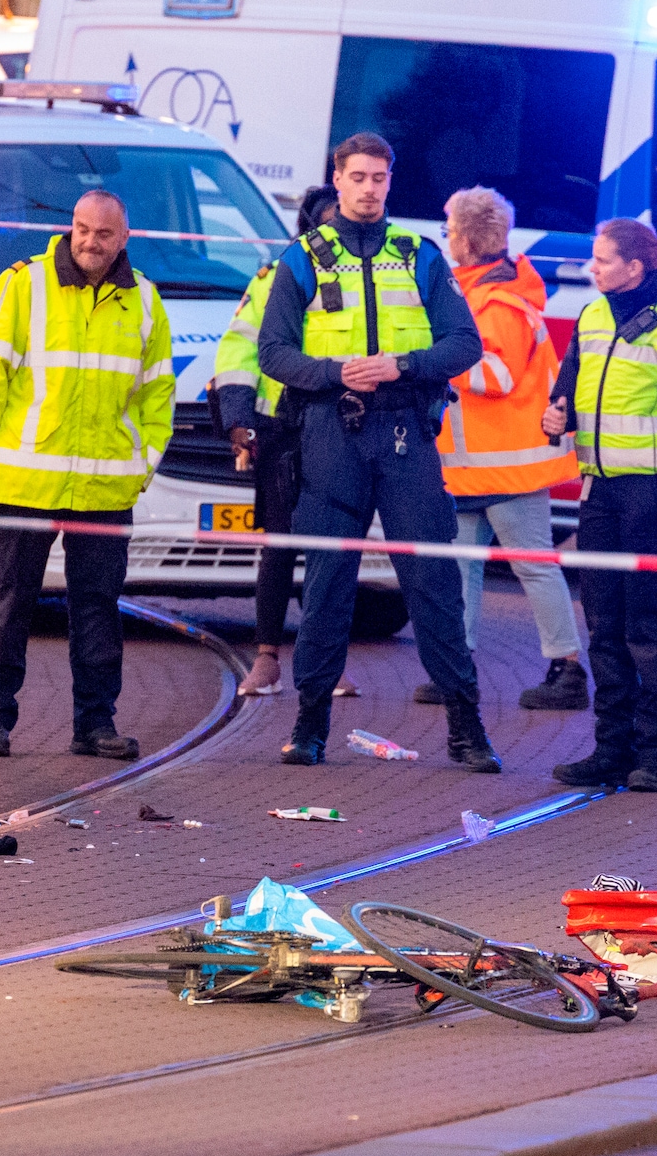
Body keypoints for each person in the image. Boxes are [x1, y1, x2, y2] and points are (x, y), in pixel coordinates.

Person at [256, 131, 496, 771]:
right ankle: (309, 728)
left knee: (433, 583)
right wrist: (337, 374)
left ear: (390, 182)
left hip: (405, 438)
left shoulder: (418, 254)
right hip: (333, 434)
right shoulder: (303, 257)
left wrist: (401, 366)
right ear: (337, 180)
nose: (368, 189)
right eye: (357, 177)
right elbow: (272, 354)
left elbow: (464, 344)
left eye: (379, 178)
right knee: (328, 587)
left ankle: (467, 731)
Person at [0, 190, 174, 760]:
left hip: (106, 486)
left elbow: (158, 395)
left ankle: (95, 725)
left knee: (98, 606)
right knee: (13, 601)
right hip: (28, 481)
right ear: (70, 227)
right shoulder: (24, 284)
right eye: (82, 228)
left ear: (123, 239)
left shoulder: (146, 303)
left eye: (103, 234)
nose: (89, 241)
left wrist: (141, 468)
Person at [540, 217, 657, 792]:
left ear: (635, 267)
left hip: (648, 496)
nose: (591, 268)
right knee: (604, 628)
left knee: (647, 627)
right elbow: (565, 393)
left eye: (601, 260)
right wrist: (554, 419)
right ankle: (611, 750)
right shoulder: (593, 317)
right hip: (599, 492)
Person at [418, 185, 588, 713]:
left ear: (468, 239)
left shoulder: (497, 303)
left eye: (450, 230)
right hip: (477, 469)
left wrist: (432, 358)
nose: (446, 238)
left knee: (531, 565)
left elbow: (497, 376)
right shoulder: (483, 293)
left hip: (506, 468)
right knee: (469, 566)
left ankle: (567, 669)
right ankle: (458, 667)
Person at [212, 185, 335, 699]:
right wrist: (239, 418)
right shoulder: (274, 277)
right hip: (281, 427)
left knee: (331, 548)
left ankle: (327, 661)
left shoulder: (378, 274)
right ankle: (267, 659)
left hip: (337, 424)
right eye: (326, 224)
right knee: (279, 545)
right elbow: (238, 347)